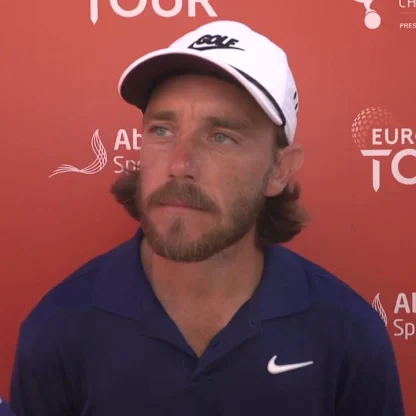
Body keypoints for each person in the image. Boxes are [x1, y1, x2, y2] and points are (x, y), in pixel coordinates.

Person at [10, 20, 405, 416]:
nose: (180, 165)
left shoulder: (349, 334)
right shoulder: (57, 329)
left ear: (279, 170)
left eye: (221, 137)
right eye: (162, 130)